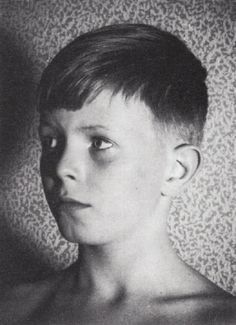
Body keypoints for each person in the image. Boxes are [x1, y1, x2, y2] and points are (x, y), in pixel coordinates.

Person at [1, 23, 235, 324]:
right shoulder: (11, 309)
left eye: (100, 143)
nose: (61, 168)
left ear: (177, 170)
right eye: (50, 140)